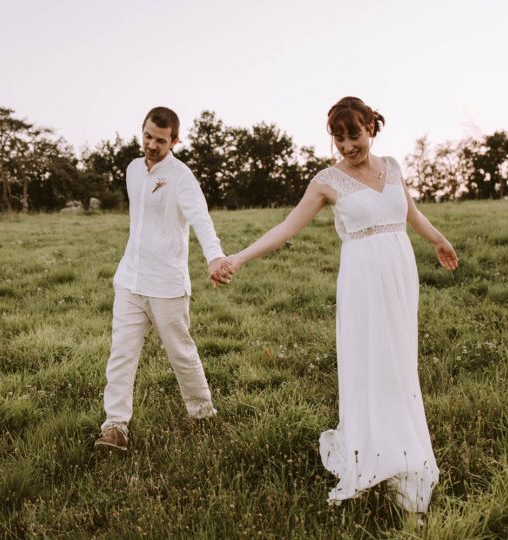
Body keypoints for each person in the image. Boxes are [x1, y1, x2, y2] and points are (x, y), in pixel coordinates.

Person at [215, 97, 458, 513]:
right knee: (371, 362)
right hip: (362, 282)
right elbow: (287, 227)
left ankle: (403, 446)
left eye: (355, 135)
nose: (347, 146)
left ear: (371, 128)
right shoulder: (327, 181)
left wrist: (438, 239)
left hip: (400, 276)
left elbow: (412, 215)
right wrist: (237, 257)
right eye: (339, 138)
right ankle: (372, 448)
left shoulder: (394, 167)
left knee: (400, 362)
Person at [94, 106, 231, 451]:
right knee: (121, 354)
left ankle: (202, 414)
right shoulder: (132, 170)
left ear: (174, 141)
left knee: (181, 353)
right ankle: (115, 427)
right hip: (130, 280)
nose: (152, 145)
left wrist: (214, 255)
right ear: (142, 132)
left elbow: (200, 218)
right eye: (148, 137)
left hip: (167, 284)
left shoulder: (182, 177)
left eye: (160, 140)